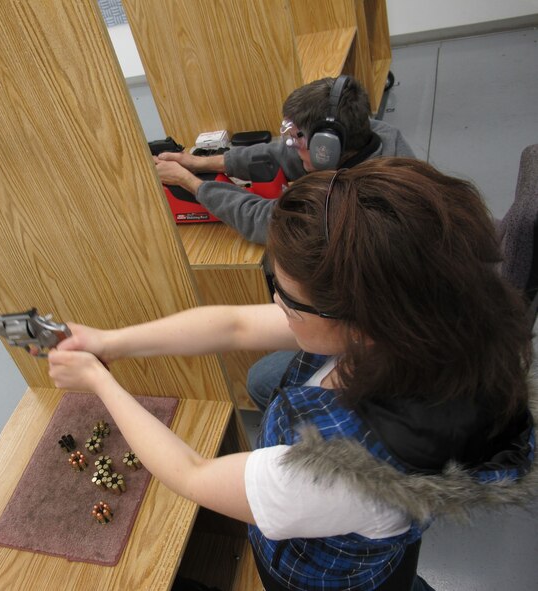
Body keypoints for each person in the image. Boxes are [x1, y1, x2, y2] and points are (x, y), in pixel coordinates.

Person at [49, 158, 536, 591]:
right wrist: (109, 342)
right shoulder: (431, 316)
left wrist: (99, 382)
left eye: (287, 297)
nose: (276, 303)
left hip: (317, 574)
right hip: (374, 527)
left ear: (361, 321)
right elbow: (235, 325)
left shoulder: (343, 468)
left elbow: (192, 474)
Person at [155, 76, 416, 409]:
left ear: (326, 145)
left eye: (298, 137)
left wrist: (190, 182)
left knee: (262, 381)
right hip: (394, 302)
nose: (291, 144)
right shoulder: (376, 136)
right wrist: (201, 161)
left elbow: (261, 219)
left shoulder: (350, 207)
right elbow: (282, 154)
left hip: (391, 336)